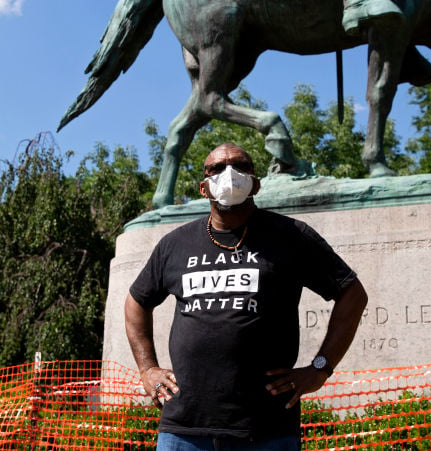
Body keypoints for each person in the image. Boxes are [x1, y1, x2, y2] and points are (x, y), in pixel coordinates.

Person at [125, 143, 368, 451]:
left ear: (256, 182)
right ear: (203, 187)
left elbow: (352, 294)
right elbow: (136, 302)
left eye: (240, 166)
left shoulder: (292, 236)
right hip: (184, 429)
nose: (229, 174)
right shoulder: (175, 244)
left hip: (266, 430)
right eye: (217, 168)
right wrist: (147, 369)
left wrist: (320, 367)